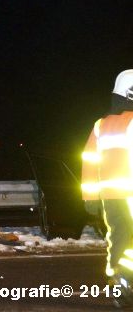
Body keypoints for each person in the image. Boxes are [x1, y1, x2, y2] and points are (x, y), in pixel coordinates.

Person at [82, 69, 133, 304]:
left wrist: (90, 197)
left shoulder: (101, 125)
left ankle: (117, 278)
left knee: (118, 236)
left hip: (110, 196)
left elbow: (90, 162)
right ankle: (125, 277)